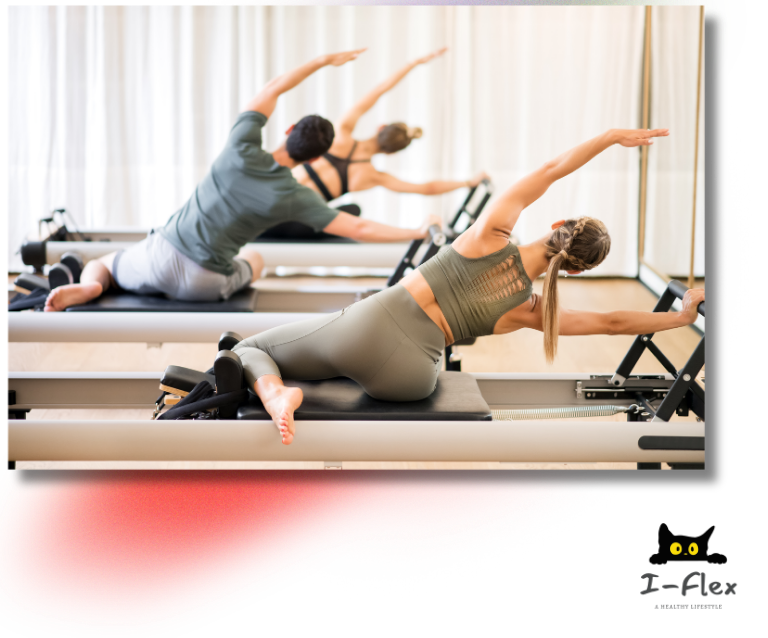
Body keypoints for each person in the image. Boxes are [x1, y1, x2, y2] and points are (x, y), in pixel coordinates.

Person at [219, 126, 705, 444]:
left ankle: (277, 392)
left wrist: (612, 137)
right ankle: (301, 379)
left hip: (367, 327)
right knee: (325, 363)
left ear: (558, 223)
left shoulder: (491, 232)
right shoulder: (533, 308)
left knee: (248, 351)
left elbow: (552, 170)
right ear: (575, 270)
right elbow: (613, 322)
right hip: (410, 381)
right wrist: (681, 317)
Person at [44, 49, 442, 312]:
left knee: (102, 263)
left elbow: (273, 88)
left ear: (286, 130)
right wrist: (416, 231)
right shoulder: (294, 195)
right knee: (255, 257)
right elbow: (358, 225)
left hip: (157, 254)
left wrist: (323, 61)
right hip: (203, 281)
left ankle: (90, 287)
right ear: (317, 157)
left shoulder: (241, 144)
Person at [259, 47, 488, 239]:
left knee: (344, 210)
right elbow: (426, 188)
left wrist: (414, 63)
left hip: (265, 207)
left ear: (381, 128)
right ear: (391, 153)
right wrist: (468, 182)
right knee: (353, 210)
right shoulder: (371, 176)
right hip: (292, 226)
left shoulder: (340, 133)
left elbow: (379, 91)